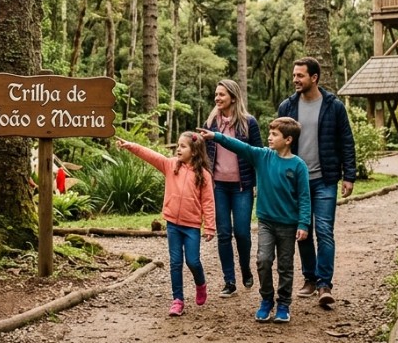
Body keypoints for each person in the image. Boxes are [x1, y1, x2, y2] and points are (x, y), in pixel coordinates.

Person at [198, 117, 309, 324]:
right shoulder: (262, 156)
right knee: (263, 260)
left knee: (285, 265)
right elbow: (240, 146)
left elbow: (304, 197)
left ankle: (283, 304)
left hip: (288, 224)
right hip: (266, 222)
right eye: (270, 132)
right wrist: (216, 136)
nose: (269, 137)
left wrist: (303, 224)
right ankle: (266, 300)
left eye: (274, 134)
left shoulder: (298, 166)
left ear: (288, 139)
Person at [277, 56, 356, 309]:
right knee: (303, 232)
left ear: (314, 78)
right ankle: (309, 278)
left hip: (325, 179)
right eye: (294, 75)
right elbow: (278, 143)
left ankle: (324, 284)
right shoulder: (287, 107)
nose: (295, 79)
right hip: (296, 181)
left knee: (324, 230)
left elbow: (346, 140)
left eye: (300, 75)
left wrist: (350, 175)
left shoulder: (334, 106)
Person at [116, 132, 216, 317]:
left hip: (192, 225)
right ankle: (177, 300)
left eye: (183, 146)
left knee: (192, 261)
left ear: (194, 152)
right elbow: (151, 155)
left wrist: (209, 225)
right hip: (173, 224)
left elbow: (208, 202)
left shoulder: (204, 175)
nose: (178, 149)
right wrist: (131, 145)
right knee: (175, 262)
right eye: (178, 145)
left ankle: (200, 284)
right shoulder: (171, 165)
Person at [203, 79, 263, 297]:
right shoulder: (211, 122)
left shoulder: (249, 123)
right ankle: (229, 281)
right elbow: (204, 153)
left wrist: (258, 183)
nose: (217, 98)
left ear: (233, 98)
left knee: (242, 232)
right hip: (218, 186)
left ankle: (246, 269)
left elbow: (259, 154)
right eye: (216, 94)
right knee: (224, 234)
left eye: (222, 94)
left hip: (242, 187)